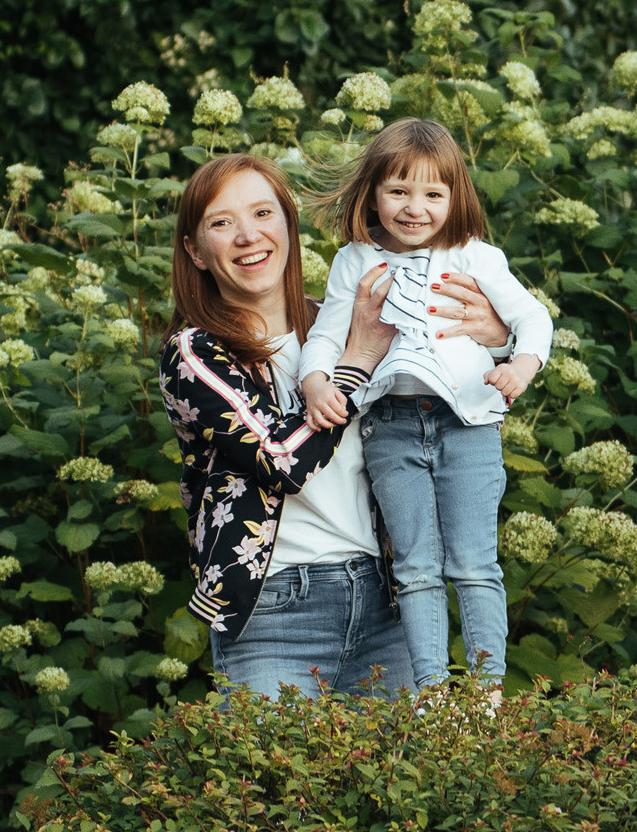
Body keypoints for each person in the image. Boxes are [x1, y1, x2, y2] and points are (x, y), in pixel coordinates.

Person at [159, 152, 515, 698]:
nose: (248, 236)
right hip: (274, 617)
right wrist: (358, 363)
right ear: (196, 251)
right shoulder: (195, 354)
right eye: (221, 223)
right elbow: (284, 462)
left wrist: (498, 336)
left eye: (263, 213)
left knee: (415, 780)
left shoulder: (342, 319)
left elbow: (454, 400)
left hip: (388, 605)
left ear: (288, 226)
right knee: (278, 785)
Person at [297, 118, 552, 690]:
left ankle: (486, 691)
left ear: (455, 198)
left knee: (474, 564)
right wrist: (316, 380)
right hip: (388, 426)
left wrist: (521, 365)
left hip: (467, 422)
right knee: (414, 568)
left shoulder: (474, 255)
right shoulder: (354, 261)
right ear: (373, 194)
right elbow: (325, 334)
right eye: (399, 191)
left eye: (433, 194)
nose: (415, 208)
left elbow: (532, 317)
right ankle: (432, 693)